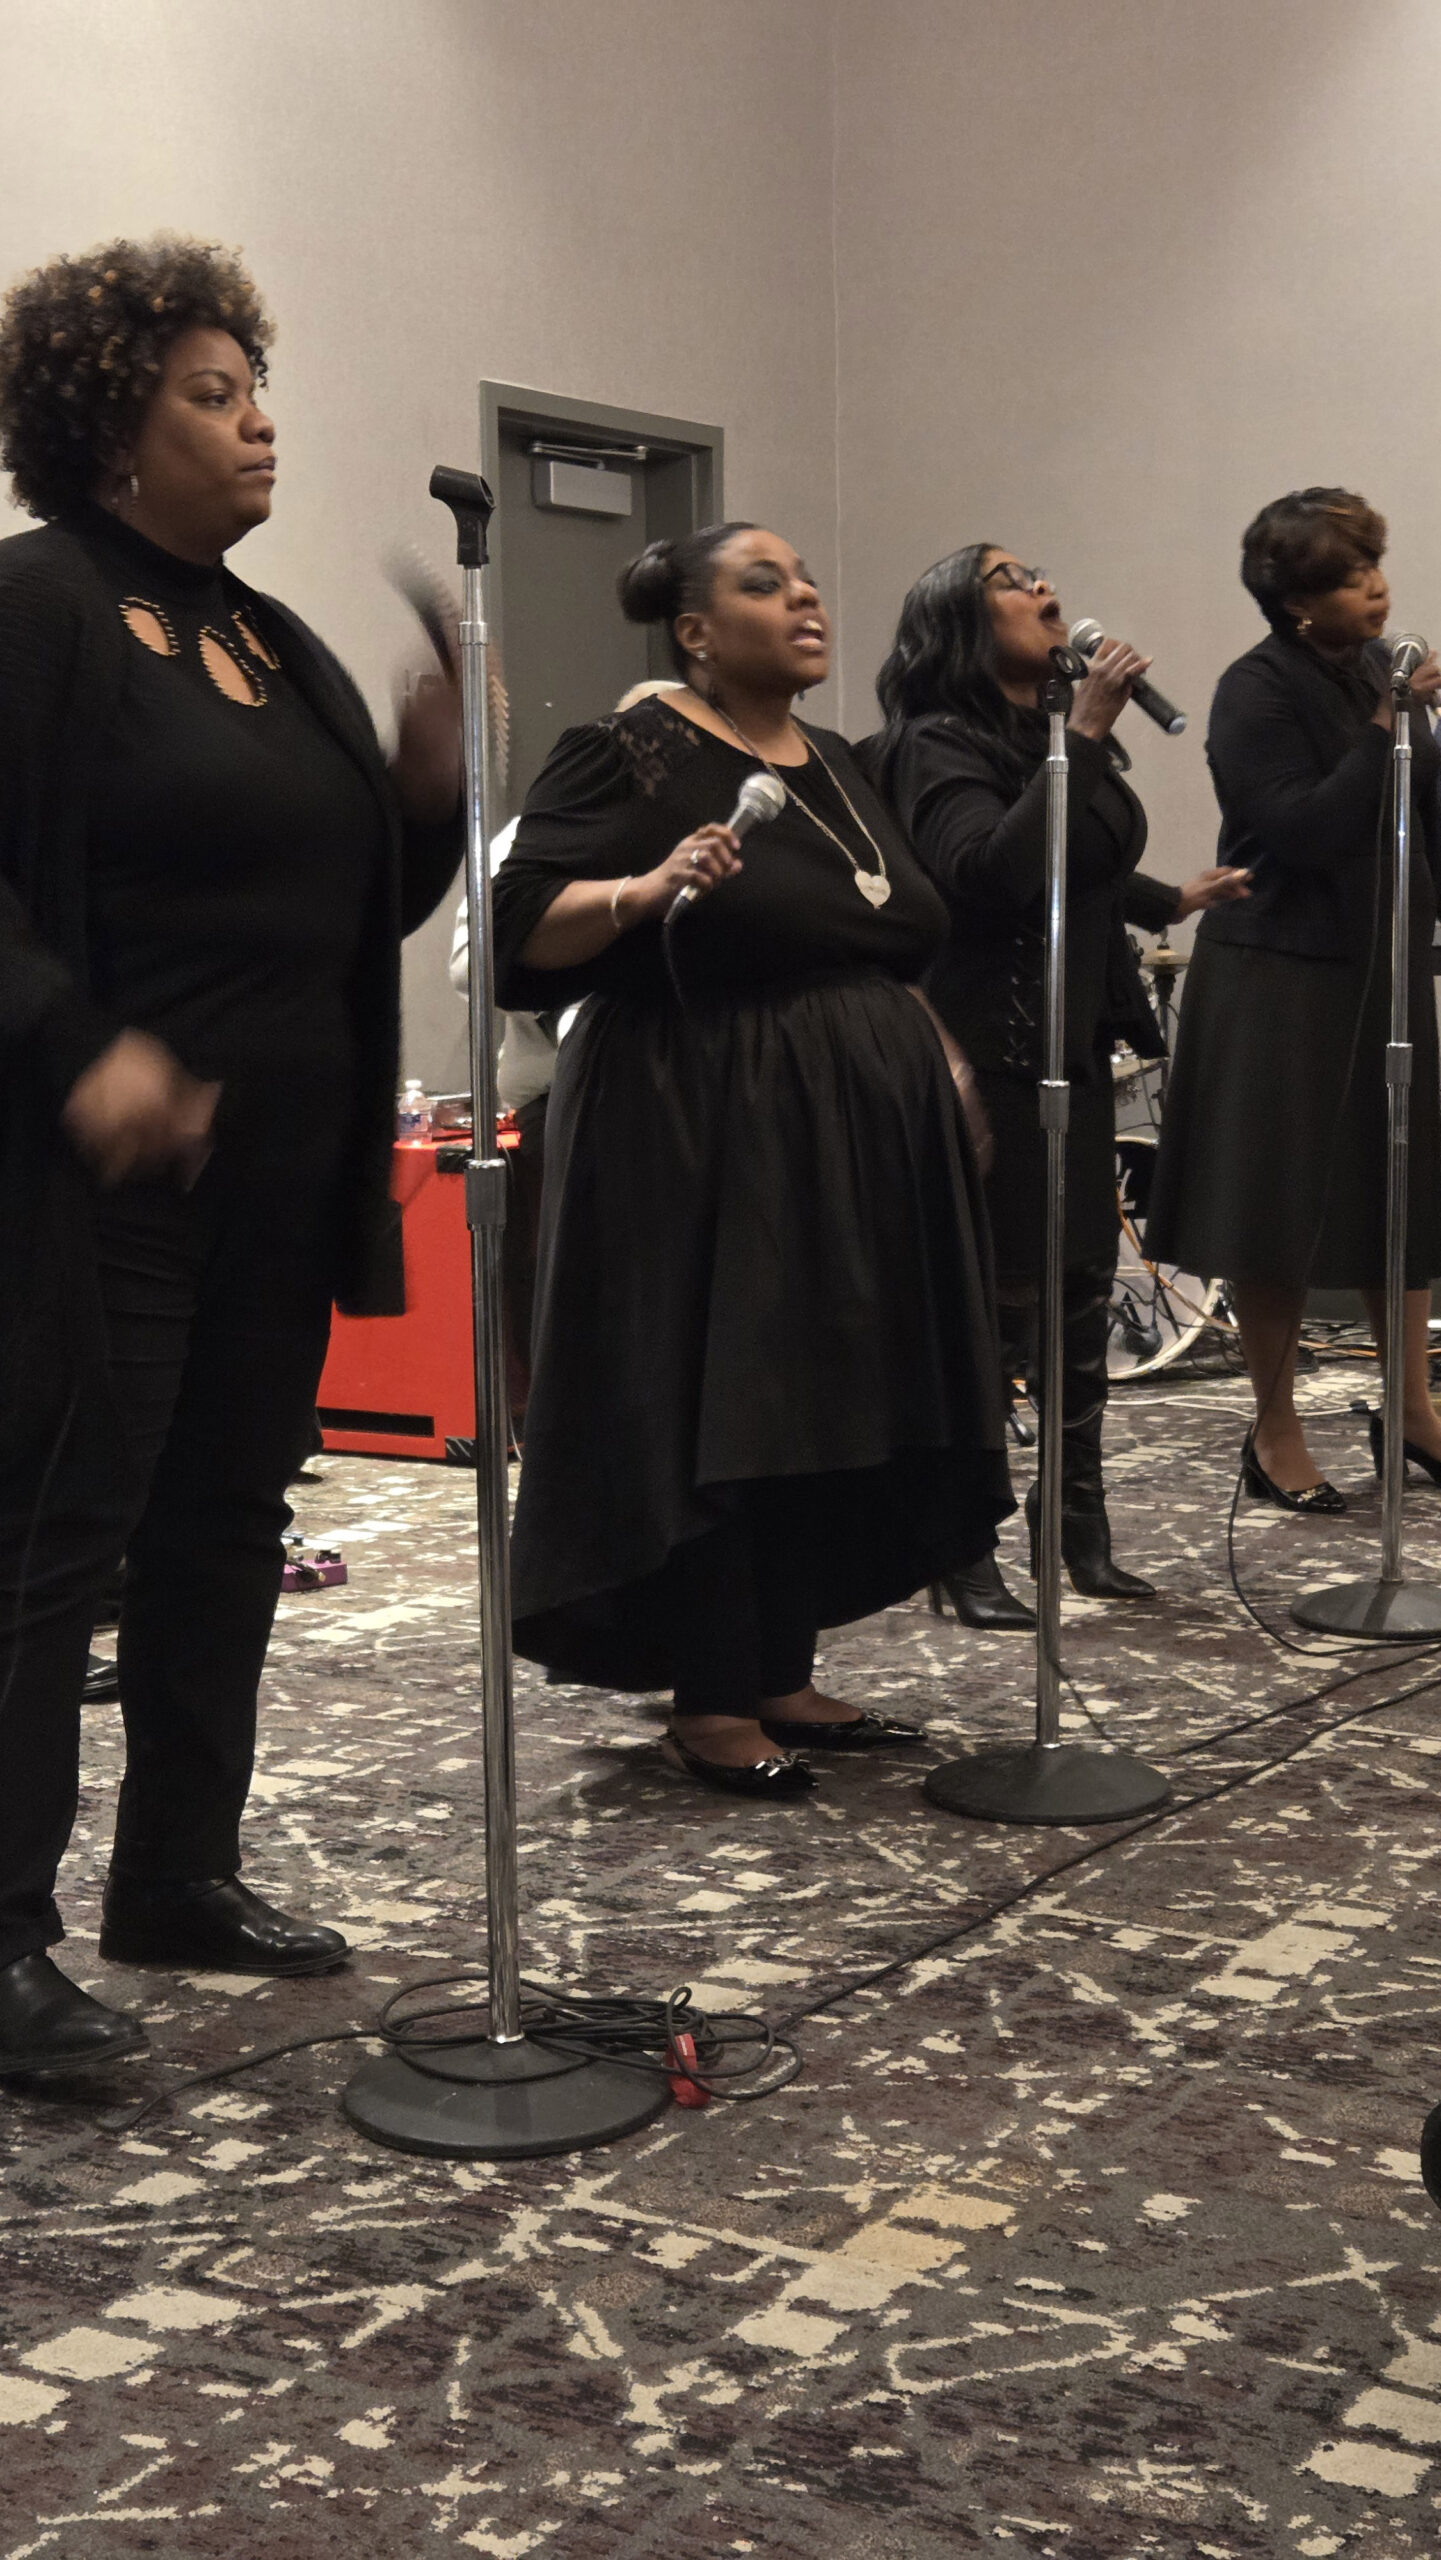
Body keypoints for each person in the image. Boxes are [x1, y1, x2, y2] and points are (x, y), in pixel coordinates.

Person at [0, 236, 461, 2076]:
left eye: (257, 391)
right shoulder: (35, 607)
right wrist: (81, 1048)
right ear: (111, 427)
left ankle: (176, 1873)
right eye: (213, 395)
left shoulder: (273, 644)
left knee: (224, 1524)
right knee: (56, 1539)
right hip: (95, 1176)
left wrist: (422, 791)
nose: (260, 424)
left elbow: (354, 914)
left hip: (280, 1170)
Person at [491, 522, 1013, 1797]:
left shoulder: (833, 759)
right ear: (694, 631)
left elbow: (882, 934)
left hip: (845, 1131)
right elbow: (517, 928)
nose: (805, 597)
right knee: (729, 1394)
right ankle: (712, 1696)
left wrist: (938, 1060)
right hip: (700, 1120)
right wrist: (643, 887)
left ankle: (780, 1669)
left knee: (821, 1393)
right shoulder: (630, 747)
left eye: (809, 579)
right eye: (765, 584)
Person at [861, 547, 1249, 1617]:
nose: (1041, 587)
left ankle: (1075, 1524)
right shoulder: (935, 744)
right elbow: (987, 872)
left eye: (1038, 572)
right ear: (956, 623)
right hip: (983, 1057)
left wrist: (1167, 901)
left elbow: (1080, 858)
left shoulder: (1034, 737)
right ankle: (961, 1547)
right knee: (989, 1307)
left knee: (1078, 1296)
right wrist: (1079, 735)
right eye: (1007, 578)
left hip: (1066, 1050)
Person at [1146, 488, 1441, 1507]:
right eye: (1350, 577)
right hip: (1279, 974)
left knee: (1399, 1191)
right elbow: (1303, 829)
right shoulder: (1253, 690)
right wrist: (1386, 722)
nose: (1376, 588)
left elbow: (1421, 816)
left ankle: (1411, 1412)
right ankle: (1274, 1434)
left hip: (1381, 966)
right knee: (1273, 1209)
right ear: (1296, 602)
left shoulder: (1377, 671)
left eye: (1375, 566)